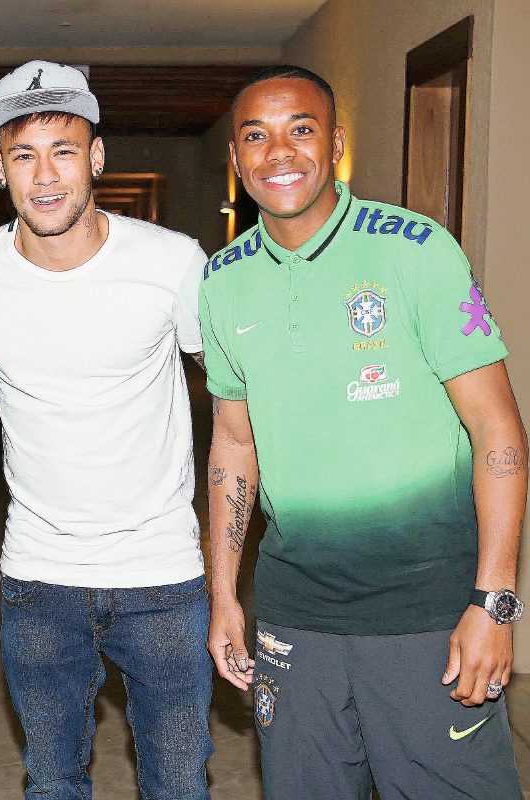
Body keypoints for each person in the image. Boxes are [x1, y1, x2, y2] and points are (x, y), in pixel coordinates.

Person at [202, 65, 525, 800]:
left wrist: (494, 604)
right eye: (256, 135)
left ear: (336, 144)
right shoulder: (223, 280)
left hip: (428, 614)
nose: (278, 152)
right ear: (236, 157)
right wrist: (225, 593)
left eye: (300, 130)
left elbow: (498, 427)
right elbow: (232, 442)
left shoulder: (414, 249)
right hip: (296, 617)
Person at [0, 61, 213, 800]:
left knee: (178, 784)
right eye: (23, 154)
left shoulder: (172, 262)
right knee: (51, 781)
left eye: (63, 150)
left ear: (97, 156)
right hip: (39, 578)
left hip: (162, 575)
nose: (44, 176)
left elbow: (239, 394)